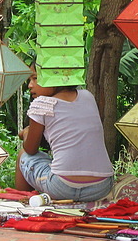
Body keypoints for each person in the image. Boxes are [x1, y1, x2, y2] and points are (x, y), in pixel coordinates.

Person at [14, 66, 114, 201]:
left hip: (61, 187)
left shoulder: (41, 104)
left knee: (23, 155)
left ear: (53, 76)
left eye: (35, 78)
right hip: (101, 187)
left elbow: (30, 149)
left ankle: (22, 204)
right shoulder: (87, 96)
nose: (30, 86)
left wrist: (26, 133)